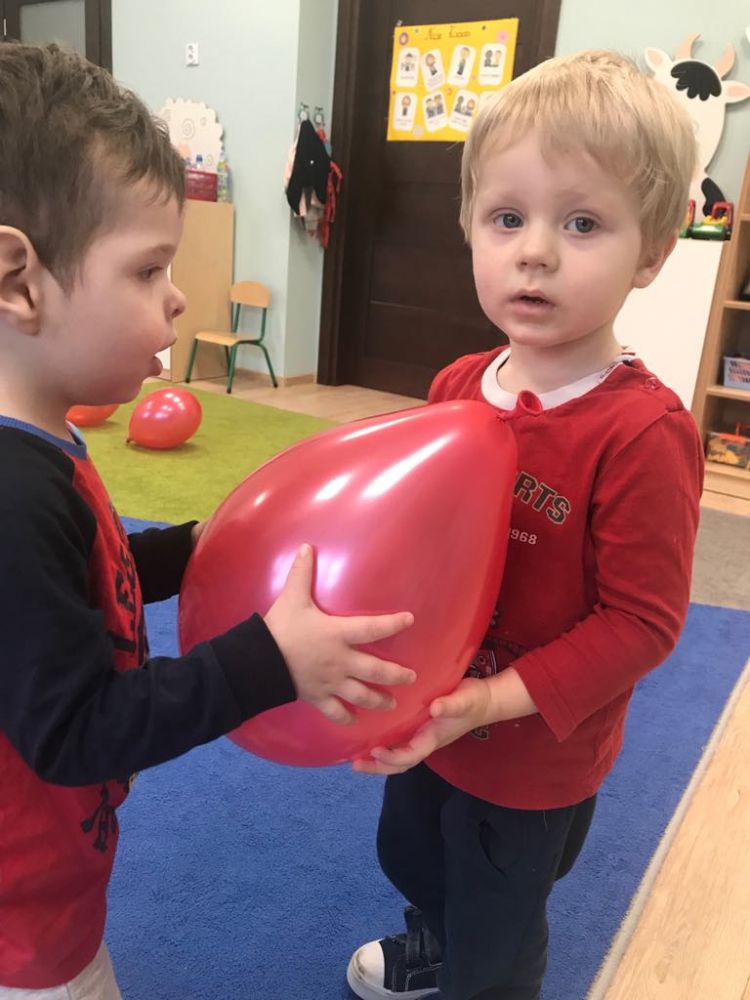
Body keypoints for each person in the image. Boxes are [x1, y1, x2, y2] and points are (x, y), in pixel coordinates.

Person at [0, 42, 416, 998]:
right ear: (19, 281)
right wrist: (268, 660)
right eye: (148, 270)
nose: (177, 295)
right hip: (21, 918)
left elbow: (86, 580)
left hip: (54, 866)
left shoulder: (42, 440)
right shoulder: (11, 495)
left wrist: (196, 548)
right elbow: (79, 732)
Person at [346, 49, 704, 1000]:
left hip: (534, 752)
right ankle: (433, 942)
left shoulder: (642, 434)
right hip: (434, 710)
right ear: (469, 225)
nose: (535, 251)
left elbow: (642, 624)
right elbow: (418, 541)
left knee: (498, 927)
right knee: (412, 853)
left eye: (582, 223)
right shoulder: (456, 386)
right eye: (507, 218)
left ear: (652, 253)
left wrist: (494, 701)